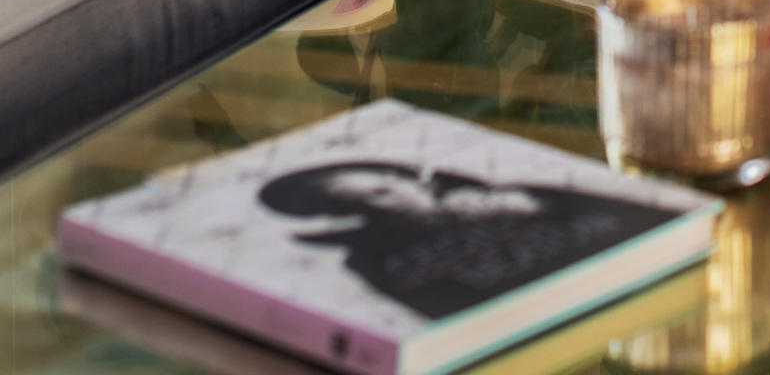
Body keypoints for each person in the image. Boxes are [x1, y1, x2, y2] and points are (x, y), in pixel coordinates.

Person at [257, 159, 673, 320]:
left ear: (411, 179)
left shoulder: (518, 194)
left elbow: (639, 215)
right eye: (355, 206)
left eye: (384, 189)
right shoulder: (371, 260)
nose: (387, 205)